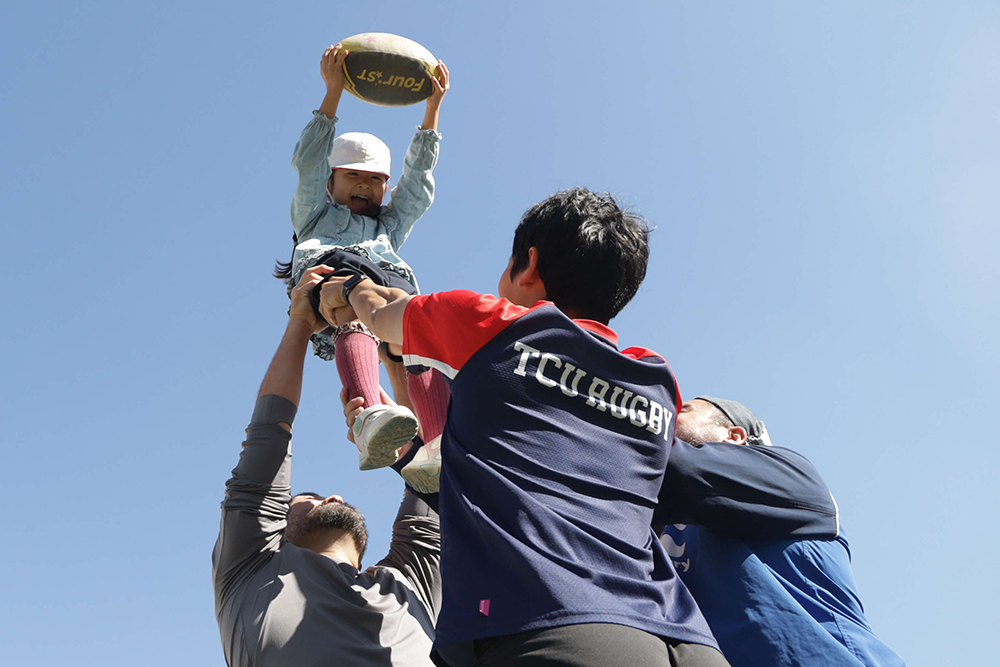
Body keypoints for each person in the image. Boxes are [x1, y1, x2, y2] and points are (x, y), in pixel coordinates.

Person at [317, 188, 729, 667]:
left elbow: (378, 313)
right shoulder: (657, 379)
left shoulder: (490, 323)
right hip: (686, 639)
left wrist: (347, 287)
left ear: (528, 264)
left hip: (553, 624)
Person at [212, 265, 441, 667]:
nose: (330, 496)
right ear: (274, 530)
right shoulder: (251, 571)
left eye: (321, 494)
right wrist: (299, 322)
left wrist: (391, 356)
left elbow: (430, 470)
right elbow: (269, 436)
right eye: (306, 497)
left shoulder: (409, 584)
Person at [275, 43, 452, 480]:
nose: (366, 186)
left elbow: (417, 188)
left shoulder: (386, 229)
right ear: (332, 180)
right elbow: (310, 160)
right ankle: (368, 412)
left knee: (407, 339)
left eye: (375, 181)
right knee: (357, 302)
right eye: (354, 175)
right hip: (334, 275)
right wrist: (332, 93)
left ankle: (435, 439)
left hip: (386, 285)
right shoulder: (316, 213)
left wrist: (431, 112)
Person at [658, 396, 906, 667]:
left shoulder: (787, 474)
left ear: (734, 435)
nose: (667, 415)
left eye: (683, 410)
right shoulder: (668, 522)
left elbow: (674, 467)